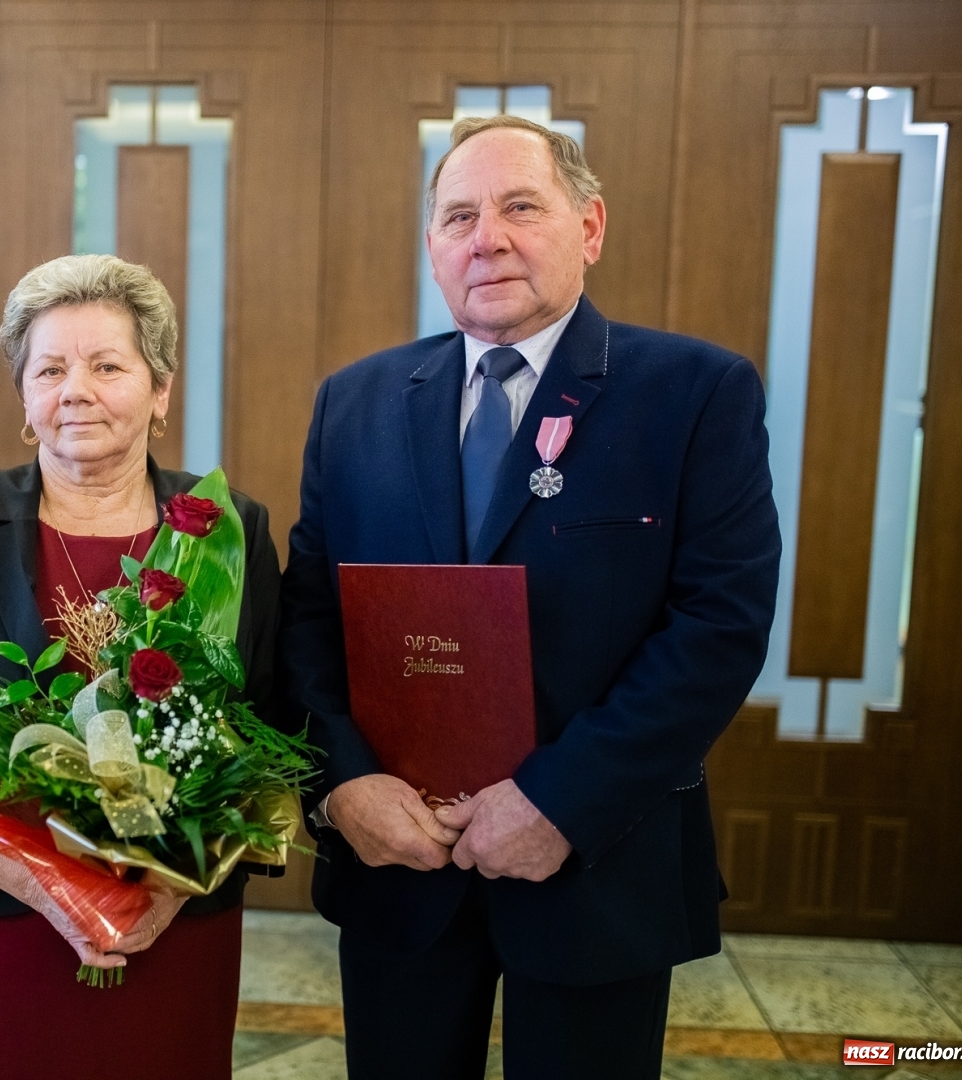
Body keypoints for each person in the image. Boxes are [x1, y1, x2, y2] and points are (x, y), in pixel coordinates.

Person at [278, 114, 781, 1079]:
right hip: (400, 862)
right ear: (432, 248)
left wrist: (558, 803)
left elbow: (719, 627)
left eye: (520, 206)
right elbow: (309, 619)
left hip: (597, 860)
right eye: (459, 216)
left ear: (589, 227)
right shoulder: (355, 403)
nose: (487, 237)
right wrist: (340, 788)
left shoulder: (694, 393)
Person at [0, 254, 280, 1080]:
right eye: (49, 368)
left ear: (160, 390)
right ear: (25, 395)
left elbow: (267, 718)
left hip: (172, 914)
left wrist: (160, 890)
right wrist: (41, 886)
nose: (75, 389)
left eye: (107, 365)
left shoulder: (222, 530)